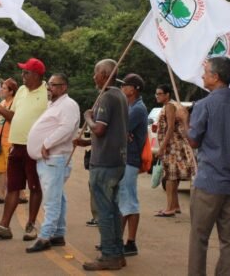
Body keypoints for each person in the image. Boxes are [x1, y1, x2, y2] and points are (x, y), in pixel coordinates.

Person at [178, 57, 230, 276]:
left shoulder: (205, 105)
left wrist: (185, 119)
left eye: (205, 72)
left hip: (209, 182)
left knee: (199, 237)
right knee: (229, 241)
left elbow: (193, 140)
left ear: (215, 77)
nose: (202, 75)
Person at [0, 58, 48, 242]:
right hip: (16, 146)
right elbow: (14, 117)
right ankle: (4, 226)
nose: (23, 75)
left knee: (35, 187)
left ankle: (31, 225)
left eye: (26, 72)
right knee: (13, 186)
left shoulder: (47, 94)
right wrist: (0, 110)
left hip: (34, 148)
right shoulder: (20, 90)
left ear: (35, 75)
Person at [74, 58, 128, 271]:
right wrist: (86, 142)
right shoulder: (120, 95)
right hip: (117, 161)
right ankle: (117, 253)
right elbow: (111, 131)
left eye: (96, 73)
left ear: (105, 74)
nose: (93, 77)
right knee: (113, 208)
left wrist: (87, 116)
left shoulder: (107, 97)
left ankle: (108, 255)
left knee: (104, 211)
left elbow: (99, 129)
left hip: (104, 163)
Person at [25, 73, 80, 253]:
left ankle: (45, 236)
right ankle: (58, 233)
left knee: (51, 199)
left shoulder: (68, 105)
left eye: (53, 85)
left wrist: (47, 143)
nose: (49, 88)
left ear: (63, 87)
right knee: (58, 197)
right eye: (48, 84)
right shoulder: (55, 104)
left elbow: (66, 128)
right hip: (49, 159)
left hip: (54, 158)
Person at [117, 73, 148, 256]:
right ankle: (119, 240)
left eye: (125, 85)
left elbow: (119, 128)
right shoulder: (130, 106)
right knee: (125, 199)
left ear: (134, 89)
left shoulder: (137, 109)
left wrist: (121, 131)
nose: (122, 88)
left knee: (129, 200)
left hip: (131, 157)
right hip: (126, 156)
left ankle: (129, 242)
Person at [155, 84, 195, 217]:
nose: (157, 96)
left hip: (172, 147)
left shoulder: (170, 106)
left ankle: (170, 208)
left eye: (160, 93)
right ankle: (175, 206)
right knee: (172, 176)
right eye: (156, 94)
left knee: (170, 177)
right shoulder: (169, 106)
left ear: (167, 95)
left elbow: (170, 127)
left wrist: (162, 147)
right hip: (172, 146)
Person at [0, 78, 18, 205]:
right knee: (2, 170)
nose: (1, 90)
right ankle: (1, 196)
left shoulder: (14, 103)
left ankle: (17, 195)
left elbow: (12, 119)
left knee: (12, 171)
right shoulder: (3, 103)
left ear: (11, 92)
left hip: (10, 141)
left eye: (4, 88)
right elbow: (1, 121)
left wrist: (0, 109)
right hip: (1, 141)